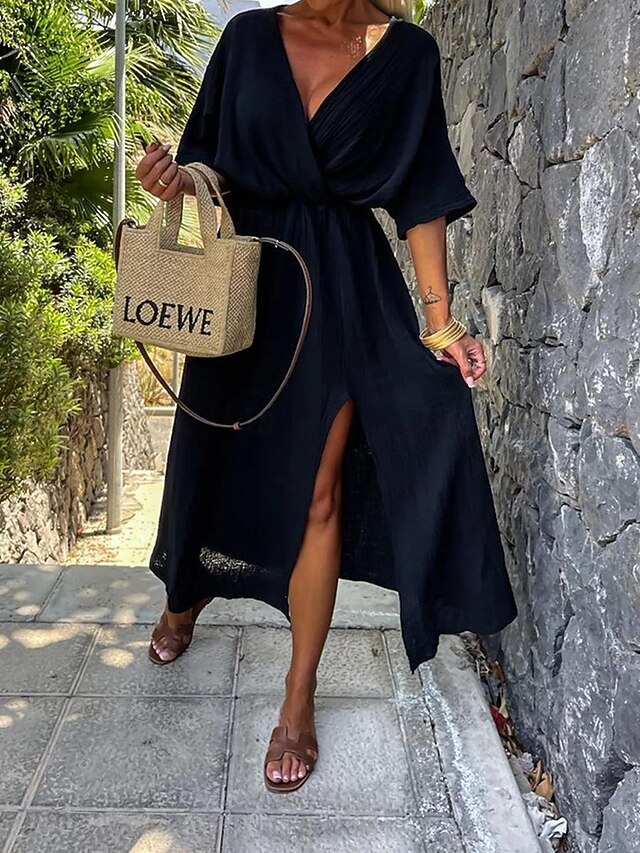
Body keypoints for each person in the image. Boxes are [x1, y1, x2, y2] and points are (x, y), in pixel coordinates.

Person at [135, 0, 518, 793]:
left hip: (343, 290)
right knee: (214, 455)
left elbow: (421, 193)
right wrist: (175, 180)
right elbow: (210, 166)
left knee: (319, 490)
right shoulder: (248, 37)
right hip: (248, 282)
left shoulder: (407, 55)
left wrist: (441, 323)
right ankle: (184, 596)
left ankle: (298, 693)